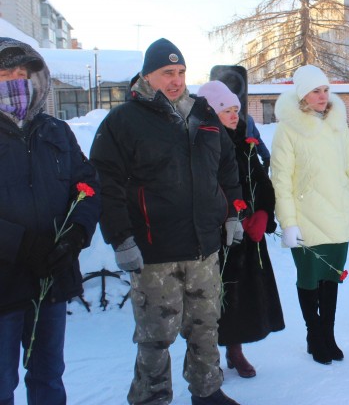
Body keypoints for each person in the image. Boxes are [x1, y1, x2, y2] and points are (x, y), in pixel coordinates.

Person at [90, 38, 242, 405]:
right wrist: (121, 239)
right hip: (153, 250)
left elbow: (227, 167)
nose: (176, 80)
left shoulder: (203, 115)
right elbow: (104, 183)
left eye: (181, 72)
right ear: (147, 76)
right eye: (166, 73)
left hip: (203, 246)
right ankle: (151, 397)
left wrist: (234, 213)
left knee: (206, 327)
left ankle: (208, 390)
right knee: (156, 335)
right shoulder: (123, 121)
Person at [0, 38, 101, 405]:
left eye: (23, 72)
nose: (16, 79)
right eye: (6, 72)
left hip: (51, 279)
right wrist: (22, 244)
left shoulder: (56, 131)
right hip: (4, 285)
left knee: (48, 376)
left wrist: (76, 234)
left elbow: (88, 185)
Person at [270, 65, 349, 365]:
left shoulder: (338, 125)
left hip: (338, 217)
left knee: (331, 279)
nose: (323, 96)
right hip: (307, 219)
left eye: (325, 89)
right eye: (316, 90)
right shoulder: (288, 128)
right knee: (310, 279)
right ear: (302, 94)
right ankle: (315, 334)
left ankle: (328, 334)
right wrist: (288, 222)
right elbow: (281, 179)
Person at [197, 81, 285, 378]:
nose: (235, 115)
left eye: (236, 109)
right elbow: (204, 191)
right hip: (217, 237)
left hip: (248, 236)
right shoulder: (199, 145)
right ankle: (206, 358)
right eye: (227, 110)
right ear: (210, 112)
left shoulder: (244, 145)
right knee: (215, 298)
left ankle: (235, 350)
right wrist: (232, 216)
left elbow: (262, 182)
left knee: (241, 297)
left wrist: (262, 213)